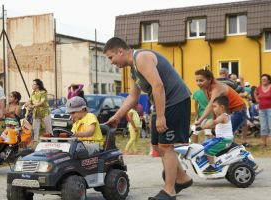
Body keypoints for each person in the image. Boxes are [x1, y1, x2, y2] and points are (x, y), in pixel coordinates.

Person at [104, 37, 192, 200]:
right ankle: (182, 178)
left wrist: (160, 116)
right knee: (157, 146)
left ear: (120, 51)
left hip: (176, 101)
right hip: (164, 103)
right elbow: (133, 98)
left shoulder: (141, 57)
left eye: (111, 57)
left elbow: (158, 85)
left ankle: (169, 191)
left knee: (166, 146)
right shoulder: (132, 70)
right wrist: (117, 117)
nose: (111, 62)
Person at [195, 69, 250, 146]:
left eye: (201, 80)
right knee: (218, 134)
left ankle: (238, 152)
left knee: (224, 136)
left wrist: (200, 120)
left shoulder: (218, 87)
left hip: (238, 111)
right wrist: (214, 121)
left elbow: (210, 105)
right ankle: (227, 152)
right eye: (197, 80)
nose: (198, 83)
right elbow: (214, 106)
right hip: (228, 112)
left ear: (209, 80)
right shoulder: (205, 89)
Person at [199, 95, 234, 174]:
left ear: (222, 107)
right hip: (221, 138)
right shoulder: (221, 116)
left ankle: (212, 167)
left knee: (208, 150)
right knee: (203, 145)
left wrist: (203, 127)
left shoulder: (223, 116)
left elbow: (213, 123)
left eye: (214, 106)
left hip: (224, 140)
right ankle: (210, 162)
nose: (213, 109)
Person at [255, 74, 271, 148]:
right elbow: (255, 93)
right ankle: (264, 143)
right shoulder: (259, 87)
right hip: (261, 109)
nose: (263, 80)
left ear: (269, 80)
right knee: (263, 127)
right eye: (262, 79)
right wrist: (257, 100)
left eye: (265, 79)